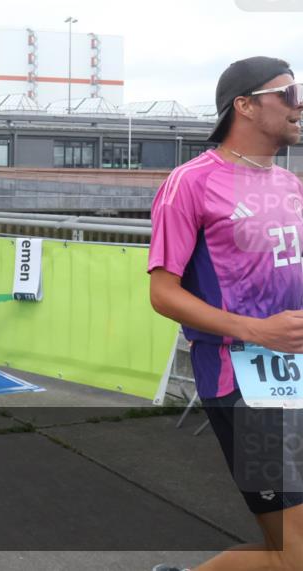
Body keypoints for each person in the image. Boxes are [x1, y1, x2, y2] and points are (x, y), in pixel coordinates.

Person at [148, 57, 303, 571]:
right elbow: (163, 293)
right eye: (289, 91)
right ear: (245, 105)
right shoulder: (189, 183)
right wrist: (256, 329)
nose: (299, 103)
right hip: (240, 382)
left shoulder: (289, 185)